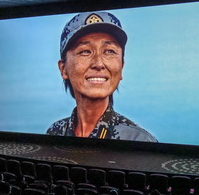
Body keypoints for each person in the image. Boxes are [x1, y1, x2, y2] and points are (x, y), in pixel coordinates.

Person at [46, 11, 157, 142]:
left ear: (121, 67)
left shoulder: (138, 140)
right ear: (63, 69)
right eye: (85, 51)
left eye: (109, 51)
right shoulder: (55, 132)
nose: (98, 63)